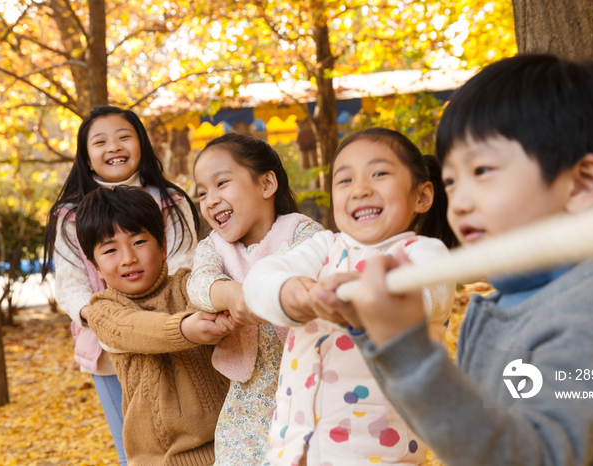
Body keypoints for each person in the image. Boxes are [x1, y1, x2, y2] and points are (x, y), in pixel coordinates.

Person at [342, 54, 593, 465]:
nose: (457, 202)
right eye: (452, 181)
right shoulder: (500, 300)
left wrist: (409, 348)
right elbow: (454, 434)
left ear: (580, 183)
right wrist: (375, 334)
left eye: (483, 170)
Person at [242, 128, 456, 465]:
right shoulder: (325, 248)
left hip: (376, 453)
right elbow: (260, 279)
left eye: (380, 173)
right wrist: (290, 294)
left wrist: (358, 294)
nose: (360, 189)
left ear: (422, 196)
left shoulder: (425, 253)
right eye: (344, 180)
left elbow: (425, 292)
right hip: (293, 448)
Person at [41, 106, 200, 465]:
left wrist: (154, 324)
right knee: (133, 446)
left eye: (124, 136)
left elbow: (183, 266)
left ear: (141, 144)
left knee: (193, 433)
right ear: (86, 157)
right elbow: (71, 283)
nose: (114, 146)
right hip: (107, 348)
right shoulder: (68, 215)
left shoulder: (170, 202)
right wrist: (100, 317)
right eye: (100, 141)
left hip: (174, 335)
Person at [186, 133, 323, 465]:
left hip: (309, 385)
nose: (210, 199)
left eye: (221, 184)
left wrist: (270, 293)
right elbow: (199, 283)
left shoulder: (302, 232)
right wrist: (229, 293)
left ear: (266, 184)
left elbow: (313, 266)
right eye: (202, 193)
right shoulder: (213, 247)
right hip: (249, 398)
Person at [79, 186, 232, 465]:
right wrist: (186, 329)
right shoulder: (102, 309)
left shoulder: (188, 285)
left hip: (230, 446)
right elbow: (133, 327)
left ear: (162, 247)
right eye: (110, 250)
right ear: (96, 267)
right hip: (160, 458)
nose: (128, 258)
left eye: (138, 242)